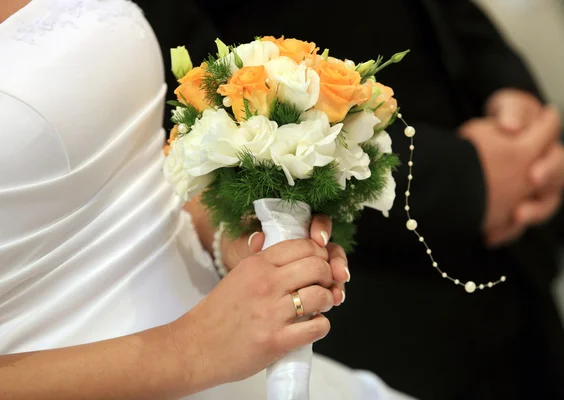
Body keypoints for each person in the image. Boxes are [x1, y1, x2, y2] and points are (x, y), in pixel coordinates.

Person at [144, 1, 564, 399]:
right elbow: (194, 90)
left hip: (512, 249)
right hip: (378, 290)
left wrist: (509, 90)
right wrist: (469, 178)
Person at [0, 1, 414, 399]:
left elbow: (126, 184)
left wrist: (229, 238)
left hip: (237, 347)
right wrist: (190, 350)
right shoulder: (195, 349)